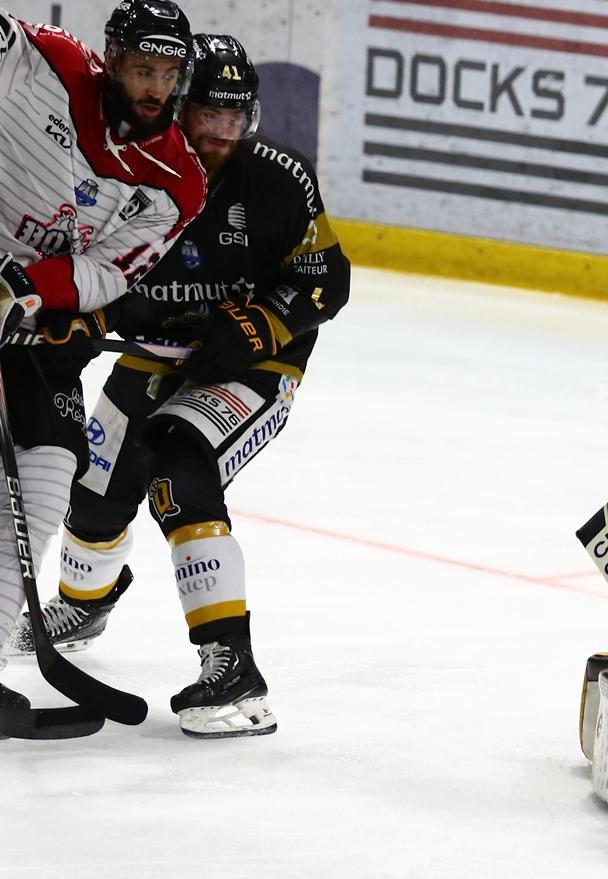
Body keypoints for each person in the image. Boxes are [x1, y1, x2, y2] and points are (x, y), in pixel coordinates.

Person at [5, 32, 351, 738]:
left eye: (237, 115)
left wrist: (263, 324)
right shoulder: (141, 174)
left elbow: (327, 279)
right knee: (95, 496)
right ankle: (86, 600)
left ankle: (234, 667)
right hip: (157, 354)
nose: (222, 129)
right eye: (208, 112)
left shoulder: (280, 180)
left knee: (178, 464)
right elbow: (107, 274)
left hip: (253, 367)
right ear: (179, 106)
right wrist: (68, 320)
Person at [0, 0, 206, 722]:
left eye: (168, 73)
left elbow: (111, 271)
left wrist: (26, 290)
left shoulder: (178, 179)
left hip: (38, 327)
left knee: (48, 481)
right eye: (142, 68)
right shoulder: (42, 62)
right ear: (112, 59)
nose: (155, 87)